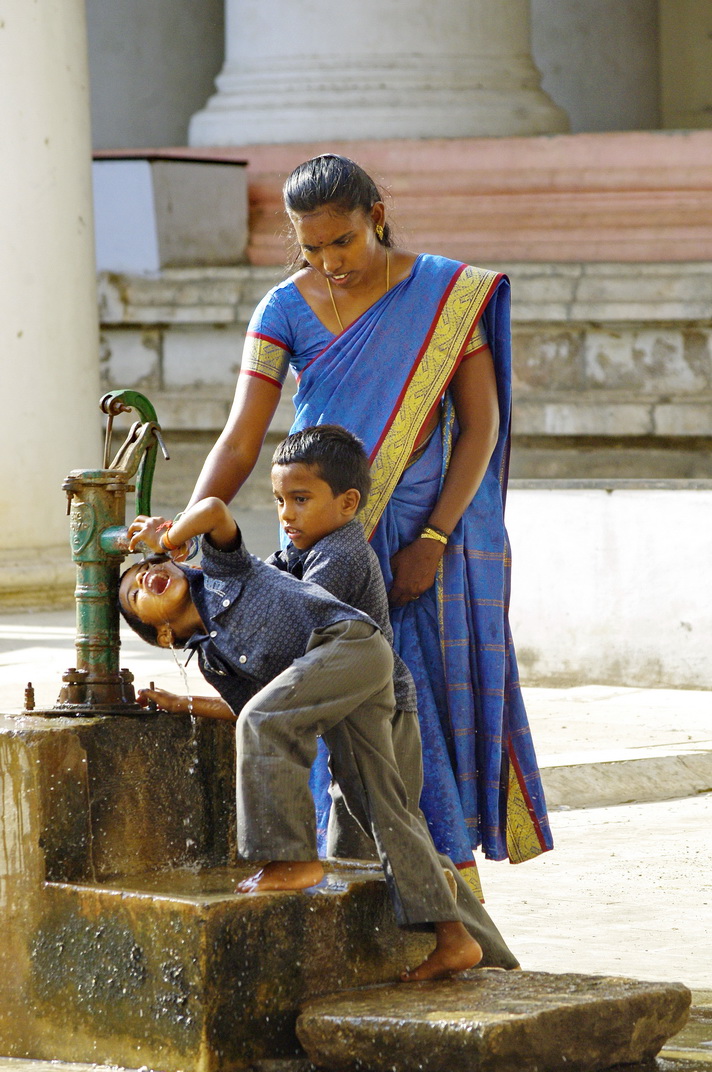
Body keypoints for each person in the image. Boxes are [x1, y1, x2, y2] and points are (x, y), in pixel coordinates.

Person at [184, 153, 553, 892]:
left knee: (419, 705)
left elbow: (480, 425)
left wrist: (434, 539)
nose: (330, 262)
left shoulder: (446, 294)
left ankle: (446, 891)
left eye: (343, 241)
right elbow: (241, 440)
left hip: (425, 533)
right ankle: (372, 886)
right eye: (311, 248)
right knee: (335, 708)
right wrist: (188, 532)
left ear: (375, 217)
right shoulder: (282, 309)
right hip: (327, 536)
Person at [118, 496, 521, 979]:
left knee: (276, 734)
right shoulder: (213, 661)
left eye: (148, 567)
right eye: (135, 593)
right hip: (344, 696)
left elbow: (215, 510)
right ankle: (458, 941)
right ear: (162, 634)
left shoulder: (225, 570)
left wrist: (166, 536)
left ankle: (291, 859)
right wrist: (182, 702)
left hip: (353, 648)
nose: (145, 576)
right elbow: (253, 707)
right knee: (383, 815)